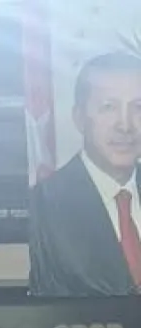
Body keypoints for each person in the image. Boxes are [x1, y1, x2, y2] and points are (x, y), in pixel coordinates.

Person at [29, 52, 141, 297]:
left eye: (137, 108)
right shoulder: (42, 208)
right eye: (108, 107)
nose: (125, 125)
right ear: (79, 118)